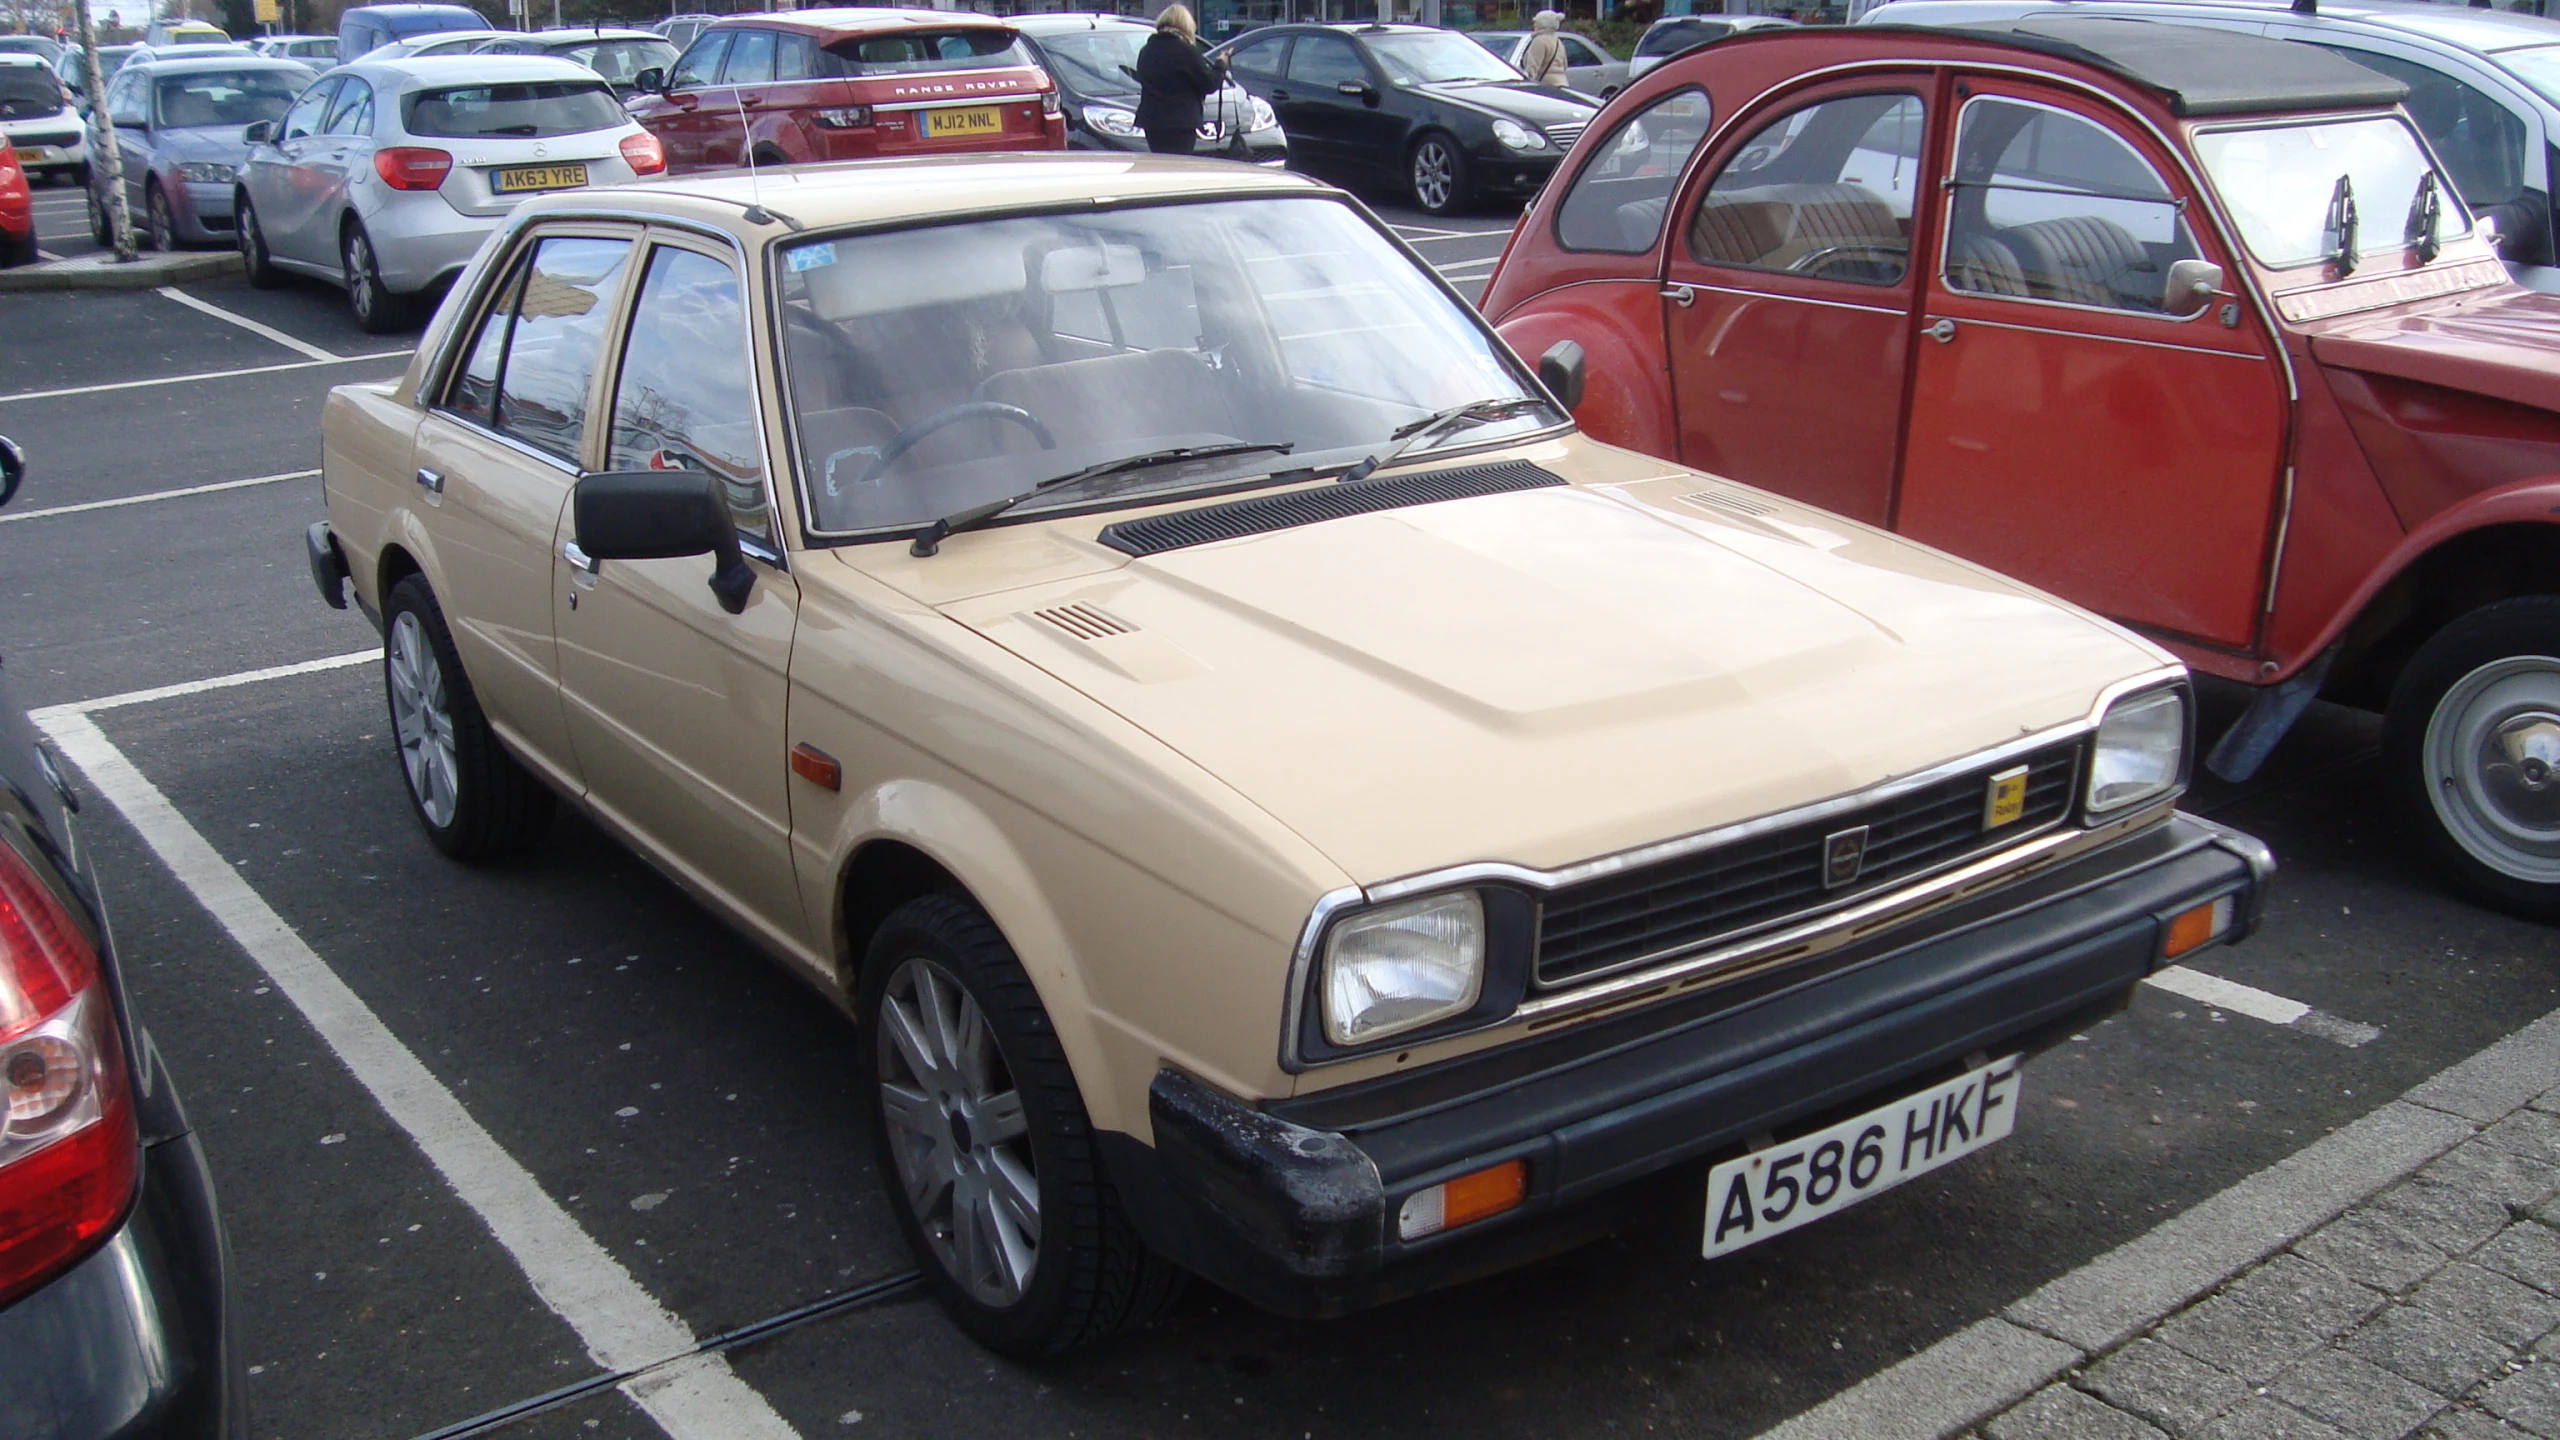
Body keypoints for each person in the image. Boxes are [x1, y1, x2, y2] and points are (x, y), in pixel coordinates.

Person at [1135, 4, 1222, 156]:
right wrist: (1221, 65)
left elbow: (1142, 77)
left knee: (1160, 164)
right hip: (1181, 123)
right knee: (1179, 165)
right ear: (1186, 26)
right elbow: (1210, 83)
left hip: (1152, 122)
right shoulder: (1186, 51)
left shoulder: (1146, 50)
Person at [1521, 9, 1570, 87]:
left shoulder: (1539, 41)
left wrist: (1528, 83)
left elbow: (1533, 66)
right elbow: (1565, 65)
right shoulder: (1558, 41)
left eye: (1535, 22)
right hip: (1562, 83)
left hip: (1547, 85)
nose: (1534, 25)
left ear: (1541, 24)